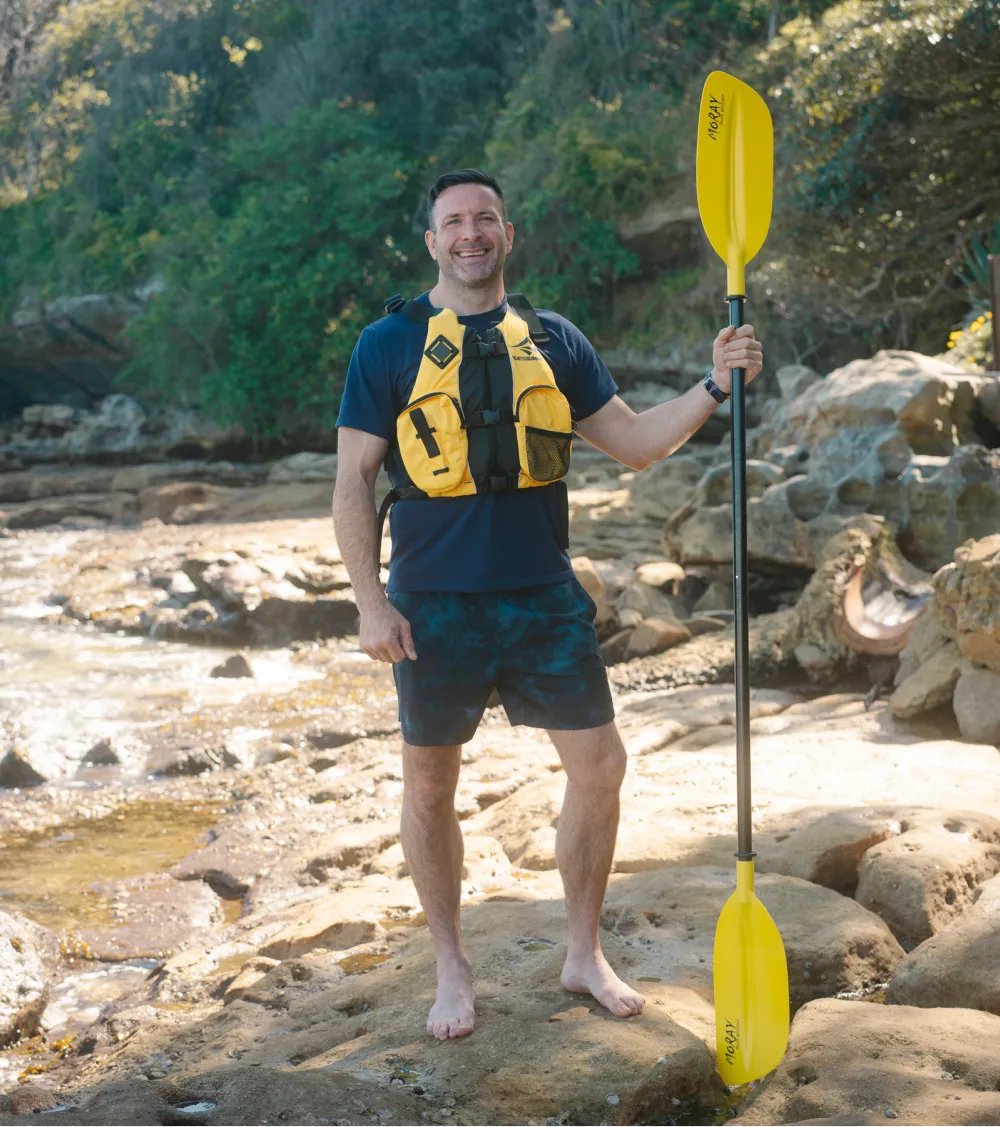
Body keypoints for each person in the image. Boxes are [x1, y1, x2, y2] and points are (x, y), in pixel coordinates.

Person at [333, 168, 763, 1041]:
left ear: (507, 232)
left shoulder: (556, 339)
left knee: (600, 767)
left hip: (541, 594)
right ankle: (451, 966)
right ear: (431, 242)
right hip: (434, 602)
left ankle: (583, 951)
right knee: (428, 784)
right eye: (453, 221)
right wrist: (369, 604)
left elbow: (637, 443)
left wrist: (714, 384)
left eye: (484, 218)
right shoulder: (386, 344)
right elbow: (353, 481)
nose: (470, 233)